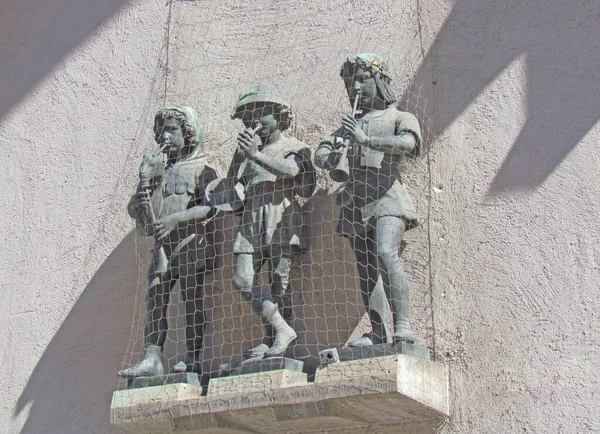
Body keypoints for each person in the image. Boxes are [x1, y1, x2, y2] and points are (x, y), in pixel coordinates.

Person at [315, 54, 422, 346]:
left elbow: (409, 145)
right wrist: (330, 157)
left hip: (387, 197)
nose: (355, 88)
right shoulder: (351, 125)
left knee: (386, 254)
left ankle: (403, 324)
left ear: (379, 81)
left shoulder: (398, 117)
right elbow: (321, 152)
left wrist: (366, 140)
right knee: (365, 269)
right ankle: (377, 332)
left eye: (361, 80)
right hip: (355, 203)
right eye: (351, 83)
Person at [119, 106, 219, 377]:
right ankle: (151, 356)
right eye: (162, 130)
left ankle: (192, 356)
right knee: (155, 297)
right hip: (163, 246)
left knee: (191, 299)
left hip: (191, 244)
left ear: (189, 133)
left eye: (172, 129)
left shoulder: (202, 169)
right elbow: (141, 214)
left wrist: (177, 219)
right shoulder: (158, 172)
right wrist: (144, 183)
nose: (165, 135)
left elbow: (211, 207)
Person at [226, 84, 315, 359]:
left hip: (279, 212)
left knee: (279, 280)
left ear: (278, 115)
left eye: (259, 116)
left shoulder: (294, 146)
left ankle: (274, 338)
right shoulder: (243, 152)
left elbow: (294, 172)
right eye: (247, 119)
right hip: (252, 216)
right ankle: (280, 329)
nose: (253, 123)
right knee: (243, 279)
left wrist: (257, 156)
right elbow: (231, 185)